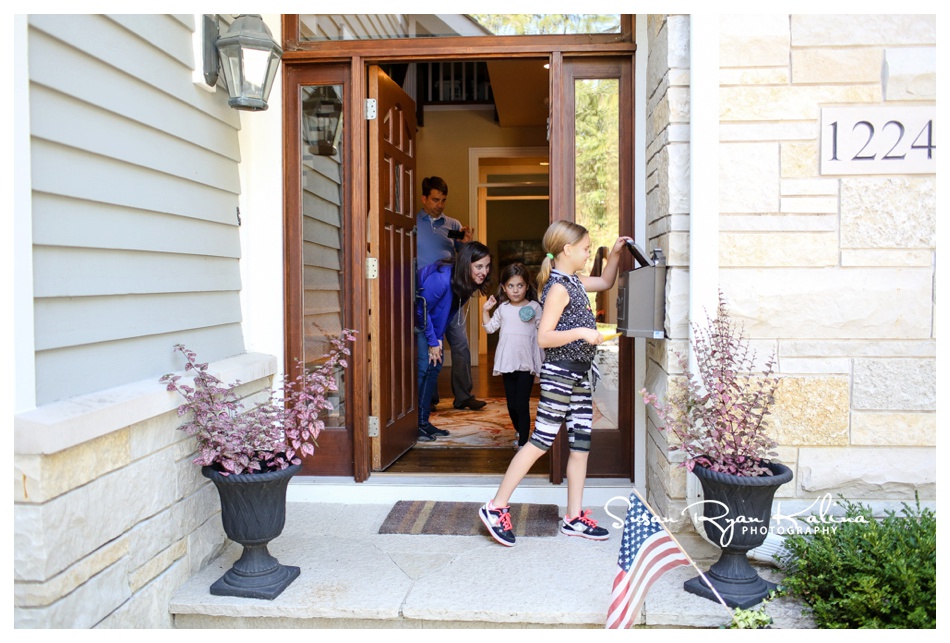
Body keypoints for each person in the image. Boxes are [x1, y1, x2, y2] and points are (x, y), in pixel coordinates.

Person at [478, 221, 632, 546]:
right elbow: (544, 337)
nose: (589, 253)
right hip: (560, 373)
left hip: (578, 373)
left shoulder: (573, 280)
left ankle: (574, 517)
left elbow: (605, 280)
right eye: (587, 248)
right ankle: (496, 507)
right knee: (540, 441)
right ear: (568, 250)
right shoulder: (558, 288)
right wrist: (582, 333)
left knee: (580, 446)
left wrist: (615, 254)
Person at [416, 176, 486, 411]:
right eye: (435, 200)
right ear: (424, 198)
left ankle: (464, 396)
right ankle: (430, 398)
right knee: (427, 343)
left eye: (443, 200)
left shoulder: (453, 225)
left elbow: (465, 258)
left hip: (451, 292)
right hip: (423, 294)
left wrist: (467, 243)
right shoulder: (412, 223)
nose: (440, 205)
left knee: (460, 344)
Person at [416, 242, 493, 442]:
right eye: (479, 266)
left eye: (487, 266)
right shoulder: (442, 279)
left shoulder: (466, 284)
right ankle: (415, 424)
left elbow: (447, 313)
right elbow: (421, 309)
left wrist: (439, 339)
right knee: (424, 368)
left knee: (435, 366)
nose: (484, 271)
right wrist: (433, 341)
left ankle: (423, 423)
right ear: (467, 264)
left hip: (432, 326)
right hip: (418, 323)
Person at [481, 263, 544, 448]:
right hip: (508, 362)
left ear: (527, 286)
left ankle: (524, 442)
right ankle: (520, 429)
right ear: (503, 288)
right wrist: (485, 310)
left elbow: (543, 330)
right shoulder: (503, 308)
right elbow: (490, 328)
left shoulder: (535, 307)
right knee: (511, 404)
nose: (515, 290)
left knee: (522, 404)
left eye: (520, 285)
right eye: (511, 286)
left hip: (526, 362)